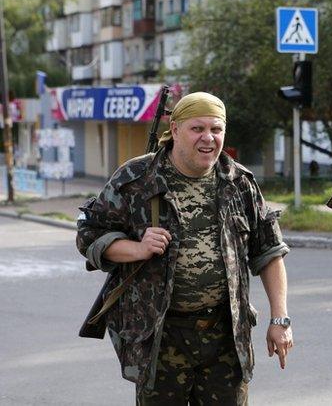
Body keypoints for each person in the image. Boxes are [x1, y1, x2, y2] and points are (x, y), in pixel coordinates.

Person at [76, 92, 293, 405]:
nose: (208, 138)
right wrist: (136, 249)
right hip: (161, 339)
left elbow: (270, 252)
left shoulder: (239, 183)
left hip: (225, 339)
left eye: (216, 129)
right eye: (197, 128)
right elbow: (89, 234)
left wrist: (280, 320)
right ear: (175, 129)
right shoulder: (136, 179)